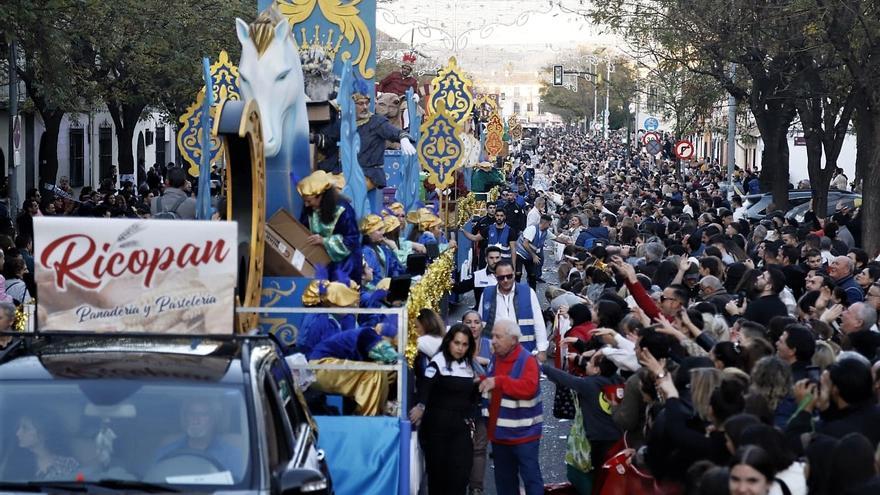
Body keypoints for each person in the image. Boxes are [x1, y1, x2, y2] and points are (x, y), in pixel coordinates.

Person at [410, 324, 480, 495]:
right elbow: (425, 388)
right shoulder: (438, 362)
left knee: (460, 474)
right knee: (439, 477)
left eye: (464, 344)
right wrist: (420, 407)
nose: (460, 348)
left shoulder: (470, 366)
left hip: (460, 429)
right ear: (449, 342)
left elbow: (473, 398)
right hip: (436, 429)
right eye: (457, 343)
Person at [479, 319, 543, 495]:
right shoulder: (496, 357)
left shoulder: (527, 360)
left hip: (524, 435)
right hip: (500, 435)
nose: (493, 340)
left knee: (531, 480)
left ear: (513, 339)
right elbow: (491, 384)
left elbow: (528, 388)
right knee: (505, 483)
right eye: (492, 336)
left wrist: (498, 381)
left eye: (498, 337)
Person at [154, 398, 244, 480]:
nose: (196, 419)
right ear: (185, 418)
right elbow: (154, 481)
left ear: (214, 420)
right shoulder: (168, 452)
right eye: (191, 414)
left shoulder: (231, 455)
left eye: (203, 414)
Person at [297, 170, 362, 283]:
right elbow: (302, 229)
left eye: (309, 201)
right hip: (317, 261)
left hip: (343, 266)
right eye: (305, 201)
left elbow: (351, 240)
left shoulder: (343, 210)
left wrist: (324, 241)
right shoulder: (309, 210)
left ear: (320, 196)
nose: (306, 204)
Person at [478, 260, 548, 359]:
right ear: (495, 277)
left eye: (509, 276)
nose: (505, 280)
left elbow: (538, 322)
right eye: (501, 277)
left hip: (523, 351)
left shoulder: (528, 292)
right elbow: (480, 323)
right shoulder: (487, 293)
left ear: (514, 275)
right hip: (494, 352)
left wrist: (542, 349)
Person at [462, 310, 491, 495]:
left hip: (484, 404)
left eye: (476, 322)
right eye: (469, 322)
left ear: (481, 325)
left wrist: (484, 361)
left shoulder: (490, 345)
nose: (473, 326)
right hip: (461, 404)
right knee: (461, 447)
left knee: (479, 447)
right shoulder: (457, 344)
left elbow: (499, 370)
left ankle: (476, 488)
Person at [16, 411, 79, 480]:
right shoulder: (15, 463)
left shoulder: (68, 464)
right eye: (19, 427)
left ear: (43, 433)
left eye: (25, 428)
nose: (18, 433)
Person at [454, 245, 502, 311]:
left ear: (500, 258)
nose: (495, 261)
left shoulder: (508, 275)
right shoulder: (478, 276)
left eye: (497, 258)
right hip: (481, 316)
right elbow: (459, 288)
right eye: (491, 258)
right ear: (486, 259)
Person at [515, 214, 552, 289]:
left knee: (532, 275)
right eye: (549, 224)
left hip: (529, 256)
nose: (550, 226)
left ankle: (532, 293)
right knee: (518, 273)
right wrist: (534, 256)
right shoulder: (532, 229)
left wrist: (566, 241)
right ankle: (515, 291)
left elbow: (556, 238)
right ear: (545, 223)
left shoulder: (546, 232)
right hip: (520, 253)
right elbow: (525, 244)